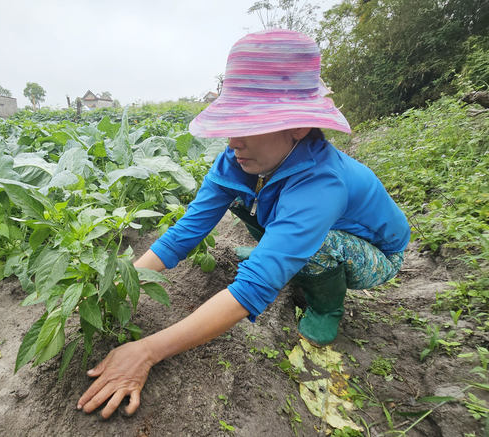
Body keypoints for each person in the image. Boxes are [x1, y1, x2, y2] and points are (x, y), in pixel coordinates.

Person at [77, 29, 410, 420]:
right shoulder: (239, 160)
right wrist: (122, 284)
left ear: (298, 127)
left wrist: (147, 351)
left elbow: (252, 290)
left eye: (248, 124)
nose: (233, 141)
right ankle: (280, 251)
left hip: (375, 254)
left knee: (316, 245)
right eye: (231, 123)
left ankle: (326, 308)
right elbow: (187, 231)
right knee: (242, 199)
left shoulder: (323, 183)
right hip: (302, 226)